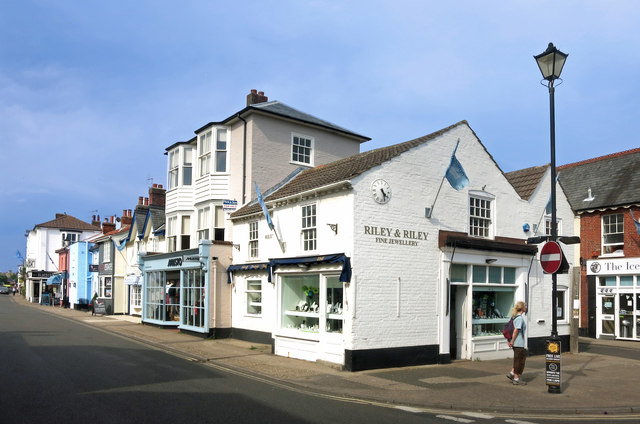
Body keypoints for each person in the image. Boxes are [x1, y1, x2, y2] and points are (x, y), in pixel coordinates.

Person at [506, 301, 527, 386]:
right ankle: (516, 378)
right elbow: (516, 330)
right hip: (518, 343)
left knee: (518, 359)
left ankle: (512, 373)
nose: (526, 308)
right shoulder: (519, 318)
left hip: (517, 343)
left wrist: (510, 341)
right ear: (522, 308)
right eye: (525, 306)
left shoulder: (515, 317)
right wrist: (512, 341)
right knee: (519, 361)